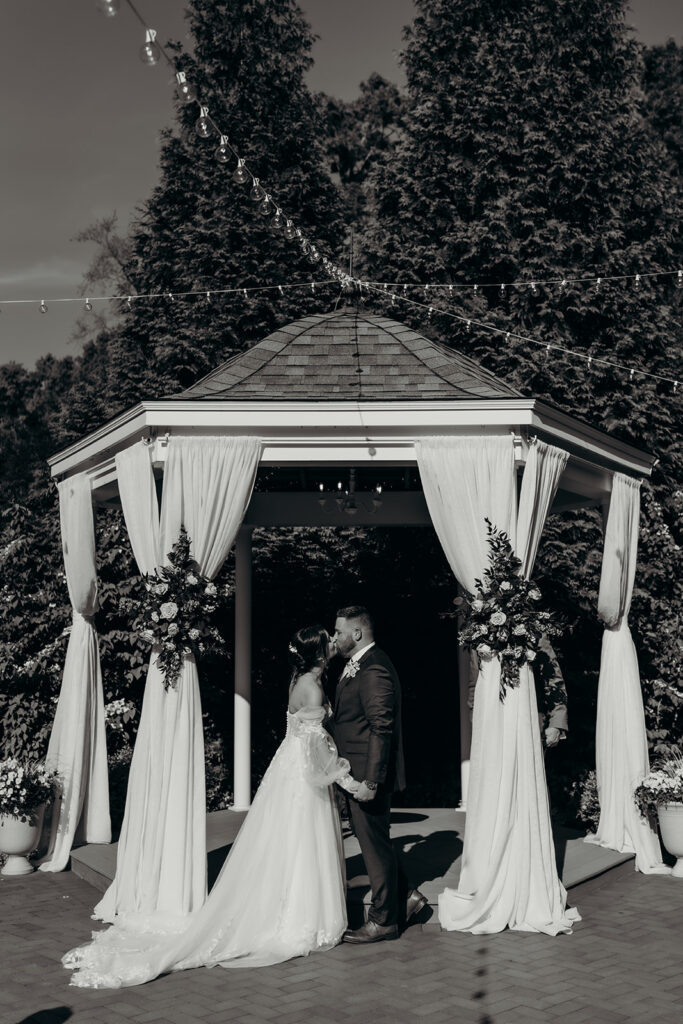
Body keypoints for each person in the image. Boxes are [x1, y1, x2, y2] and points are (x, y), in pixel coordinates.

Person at [63, 626, 359, 988]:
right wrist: (343, 777)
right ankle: (303, 918)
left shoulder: (299, 680)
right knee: (302, 843)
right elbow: (316, 748)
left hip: (289, 768)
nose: (332, 644)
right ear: (317, 653)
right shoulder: (312, 687)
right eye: (327, 641)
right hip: (304, 775)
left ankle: (292, 908)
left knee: (290, 845)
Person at [332, 605, 427, 943]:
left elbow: (381, 728)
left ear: (357, 633)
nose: (335, 637)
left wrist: (371, 781)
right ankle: (409, 896)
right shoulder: (358, 665)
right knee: (376, 841)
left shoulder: (373, 669)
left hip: (365, 776)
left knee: (374, 847)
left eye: (340, 631)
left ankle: (383, 920)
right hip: (354, 771)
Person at [468, 633, 568, 748]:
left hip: (529, 720)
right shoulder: (479, 635)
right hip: (491, 723)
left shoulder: (535, 632)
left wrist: (556, 722)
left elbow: (552, 677)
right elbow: (475, 682)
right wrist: (475, 719)